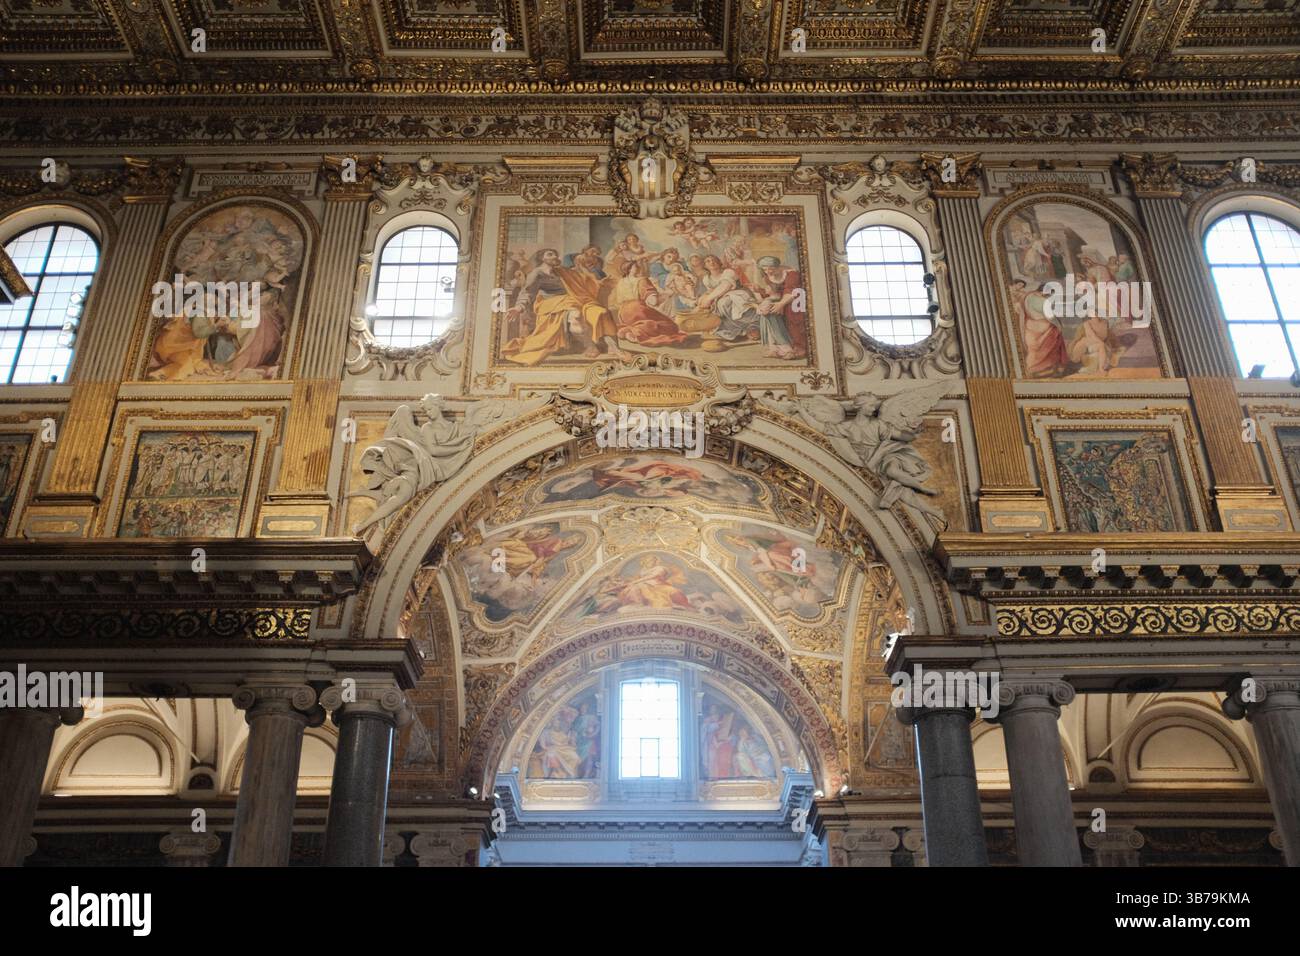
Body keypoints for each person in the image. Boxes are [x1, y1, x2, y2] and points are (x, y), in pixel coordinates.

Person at [502, 248, 626, 365]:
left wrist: (600, 283)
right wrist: (518, 308)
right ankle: (590, 346)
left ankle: (613, 346)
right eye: (550, 254)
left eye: (555, 254)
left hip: (575, 299)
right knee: (576, 316)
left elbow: (583, 280)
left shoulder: (562, 271)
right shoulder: (537, 273)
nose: (555, 256)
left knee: (601, 312)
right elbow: (527, 292)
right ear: (542, 258)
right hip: (551, 304)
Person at [1009, 279, 1068, 377]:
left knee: (1034, 350)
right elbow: (1050, 316)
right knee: (1053, 343)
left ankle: (1034, 370)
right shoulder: (1041, 300)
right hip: (1043, 329)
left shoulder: (1027, 296)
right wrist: (1058, 325)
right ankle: (1048, 368)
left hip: (1030, 328)